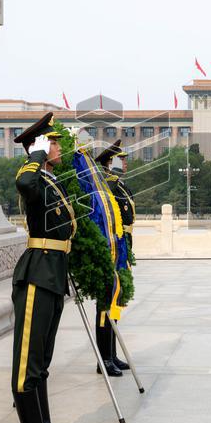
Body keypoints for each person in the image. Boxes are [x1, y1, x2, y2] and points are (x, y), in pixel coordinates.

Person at [9, 113, 77, 423]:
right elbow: (25, 186)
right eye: (55, 142)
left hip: (53, 273)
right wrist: (34, 155)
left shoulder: (50, 179)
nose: (60, 147)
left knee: (42, 361)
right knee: (27, 363)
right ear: (41, 145)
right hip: (37, 274)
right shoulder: (32, 176)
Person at [96, 140, 134, 372]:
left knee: (116, 304)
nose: (126, 162)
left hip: (122, 249)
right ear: (110, 162)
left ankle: (112, 353)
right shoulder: (106, 186)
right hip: (110, 251)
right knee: (105, 306)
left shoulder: (118, 185)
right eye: (122, 159)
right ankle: (104, 359)